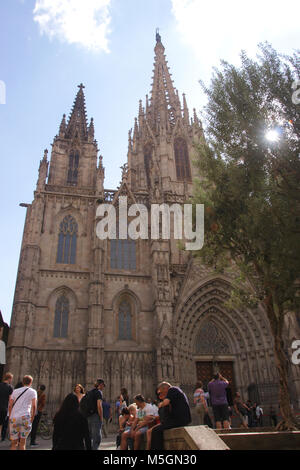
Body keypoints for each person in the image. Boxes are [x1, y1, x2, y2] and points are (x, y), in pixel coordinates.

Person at [150, 382, 191, 450]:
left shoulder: (172, 389)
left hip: (180, 420)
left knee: (155, 431)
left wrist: (161, 404)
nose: (159, 394)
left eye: (160, 392)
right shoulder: (174, 393)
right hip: (178, 419)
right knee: (155, 430)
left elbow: (165, 403)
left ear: (165, 388)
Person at [8, 375, 37, 451]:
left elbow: (10, 405)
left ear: (23, 382)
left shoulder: (15, 391)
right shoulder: (33, 391)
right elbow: (34, 406)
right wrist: (32, 417)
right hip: (26, 417)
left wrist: (10, 416)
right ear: (31, 382)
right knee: (22, 443)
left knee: (14, 443)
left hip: (14, 417)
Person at [84, 378, 105, 450]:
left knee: (89, 436)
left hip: (88, 416)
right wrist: (101, 417)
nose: (103, 387)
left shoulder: (89, 392)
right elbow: (99, 405)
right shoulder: (99, 392)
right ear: (101, 385)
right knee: (97, 436)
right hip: (95, 416)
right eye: (103, 386)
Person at [0, 372, 13, 439]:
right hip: (4, 407)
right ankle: (2, 436)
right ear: (9, 379)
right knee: (2, 423)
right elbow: (11, 399)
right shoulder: (10, 387)